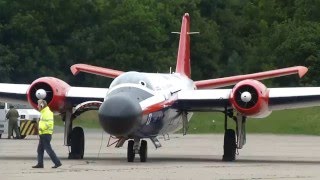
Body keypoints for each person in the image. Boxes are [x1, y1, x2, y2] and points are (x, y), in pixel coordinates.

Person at [32, 100, 62, 168]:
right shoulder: (44, 112)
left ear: (42, 106)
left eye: (38, 105)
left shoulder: (47, 113)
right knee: (40, 150)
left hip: (45, 134)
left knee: (48, 150)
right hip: (43, 134)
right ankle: (40, 164)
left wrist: (41, 128)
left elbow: (49, 123)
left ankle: (57, 163)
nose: (37, 106)